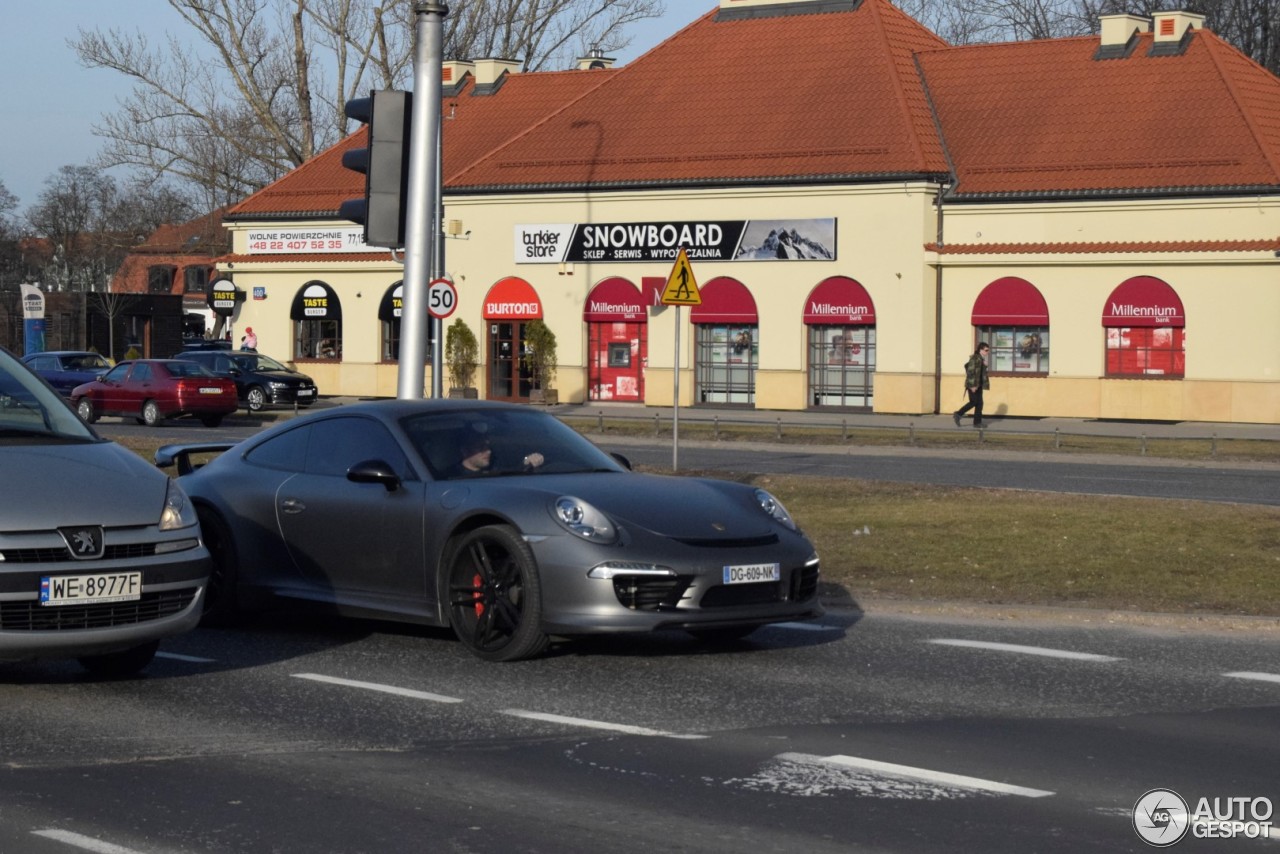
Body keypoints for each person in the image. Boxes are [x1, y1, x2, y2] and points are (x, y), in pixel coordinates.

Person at [449, 431, 544, 478]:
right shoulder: (453, 477)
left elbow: (512, 472)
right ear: (465, 451)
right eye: (481, 448)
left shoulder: (495, 467)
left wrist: (528, 461)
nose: (488, 452)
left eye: (488, 447)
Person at [954, 342, 990, 428]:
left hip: (979, 384)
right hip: (973, 384)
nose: (987, 352)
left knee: (979, 403)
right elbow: (970, 372)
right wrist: (972, 386)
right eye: (986, 350)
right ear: (980, 350)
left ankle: (977, 423)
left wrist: (985, 366)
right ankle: (958, 414)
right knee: (974, 402)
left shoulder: (981, 359)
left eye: (988, 350)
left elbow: (980, 373)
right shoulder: (975, 358)